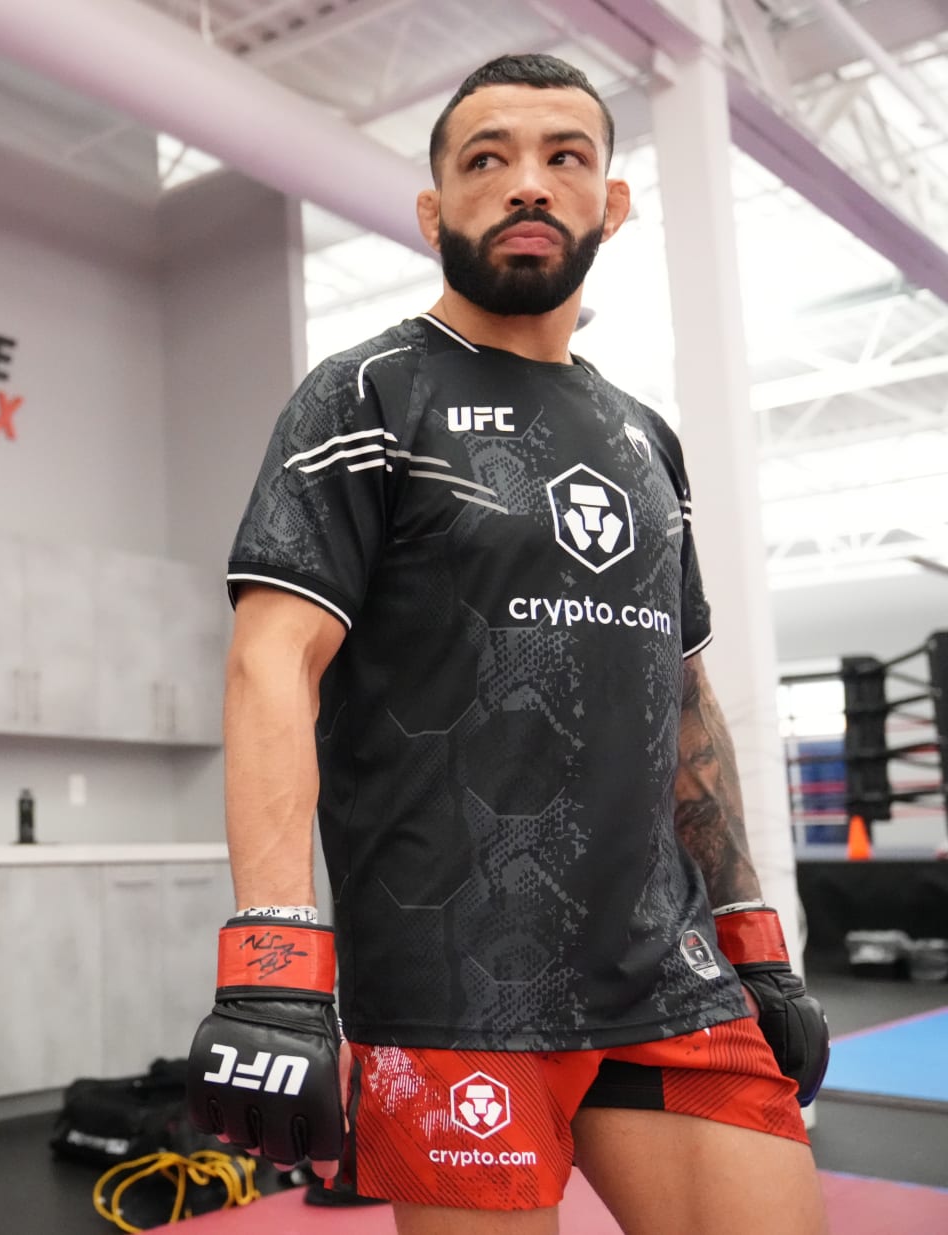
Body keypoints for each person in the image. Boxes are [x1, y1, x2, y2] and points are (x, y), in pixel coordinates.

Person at [186, 53, 831, 1235]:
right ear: (436, 210)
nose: (526, 182)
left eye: (564, 156)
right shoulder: (366, 394)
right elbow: (271, 664)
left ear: (610, 204)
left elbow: (682, 697)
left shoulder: (648, 440)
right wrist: (272, 963)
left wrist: (756, 942)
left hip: (670, 972)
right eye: (487, 158)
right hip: (453, 981)